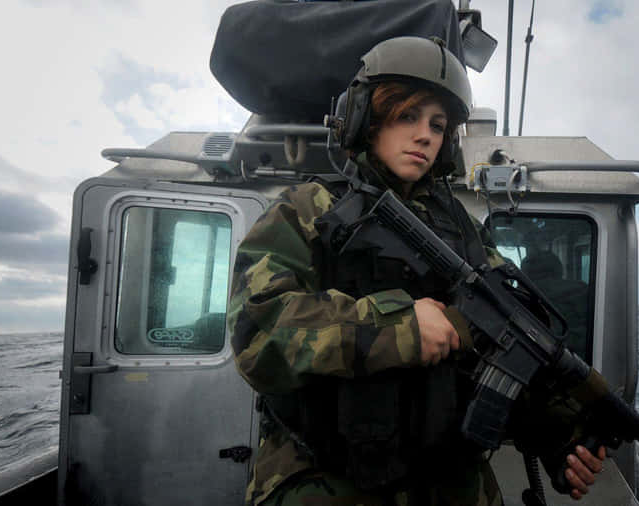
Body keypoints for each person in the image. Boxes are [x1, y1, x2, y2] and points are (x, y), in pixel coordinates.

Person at [228, 36, 604, 506]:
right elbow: (256, 333)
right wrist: (398, 327)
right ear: (366, 117)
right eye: (407, 115)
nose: (425, 134)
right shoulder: (310, 210)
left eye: (438, 124)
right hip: (332, 480)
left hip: (452, 482)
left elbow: (505, 343)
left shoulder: (464, 231)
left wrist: (554, 438)